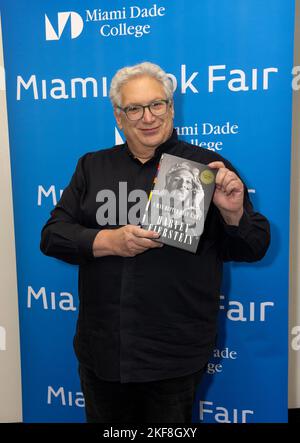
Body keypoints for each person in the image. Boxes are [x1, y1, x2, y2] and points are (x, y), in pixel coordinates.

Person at [40, 61, 270, 423]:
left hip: (174, 356)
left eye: (157, 104)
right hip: (103, 352)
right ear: (119, 116)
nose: (148, 117)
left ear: (171, 108)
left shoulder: (208, 168)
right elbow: (52, 235)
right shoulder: (92, 167)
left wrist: (233, 212)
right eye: (134, 108)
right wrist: (107, 241)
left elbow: (253, 247)